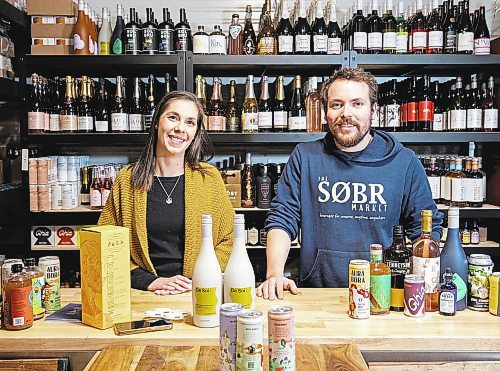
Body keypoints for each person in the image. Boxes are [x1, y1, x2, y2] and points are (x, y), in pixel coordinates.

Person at [257, 68, 443, 299]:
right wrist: (274, 273)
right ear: (325, 112)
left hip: (381, 294)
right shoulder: (305, 156)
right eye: (337, 105)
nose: (346, 113)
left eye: (357, 104)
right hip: (317, 294)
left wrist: (421, 286)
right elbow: (283, 218)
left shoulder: (404, 161)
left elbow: (425, 230)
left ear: (373, 110)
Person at [98, 91, 234, 295]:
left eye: (190, 122)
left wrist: (198, 278)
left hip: (198, 292)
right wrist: (150, 281)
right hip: (140, 294)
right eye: (173, 118)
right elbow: (104, 244)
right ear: (156, 122)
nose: (180, 128)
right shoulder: (127, 179)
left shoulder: (209, 179)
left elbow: (229, 239)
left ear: (195, 132)